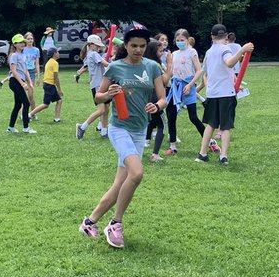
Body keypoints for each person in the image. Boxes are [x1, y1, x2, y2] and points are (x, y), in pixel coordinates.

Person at [78, 28, 168, 249]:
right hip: (119, 129)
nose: (138, 50)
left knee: (120, 184)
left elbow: (163, 98)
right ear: (125, 46)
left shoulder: (153, 67)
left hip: (139, 130)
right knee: (136, 173)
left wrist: (156, 106)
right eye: (133, 46)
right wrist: (108, 94)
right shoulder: (116, 67)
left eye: (142, 46)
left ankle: (89, 223)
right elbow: (98, 96)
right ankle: (115, 223)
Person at [195, 24, 253, 165]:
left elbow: (207, 72)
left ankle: (202, 153)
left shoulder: (209, 52)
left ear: (211, 36)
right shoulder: (225, 49)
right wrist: (243, 50)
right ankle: (223, 156)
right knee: (225, 126)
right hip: (226, 93)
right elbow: (229, 63)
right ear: (226, 36)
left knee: (211, 124)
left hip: (213, 93)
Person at [167, 28, 205, 153]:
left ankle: (208, 141)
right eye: (177, 40)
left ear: (187, 40)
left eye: (182, 40)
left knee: (193, 117)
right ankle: (172, 145)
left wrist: (190, 85)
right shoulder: (174, 54)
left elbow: (199, 70)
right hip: (176, 87)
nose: (179, 42)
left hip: (188, 86)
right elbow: (171, 71)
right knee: (171, 116)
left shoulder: (192, 52)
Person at [74, 34, 110, 139]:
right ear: (90, 44)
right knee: (101, 110)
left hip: (102, 84)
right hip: (97, 85)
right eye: (96, 45)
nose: (98, 47)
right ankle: (82, 127)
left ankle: (104, 131)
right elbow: (106, 64)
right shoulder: (93, 54)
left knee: (106, 108)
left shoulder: (92, 54)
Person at [6, 34, 36, 134]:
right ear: (14, 44)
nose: (23, 44)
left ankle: (10, 127)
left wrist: (30, 82)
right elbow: (14, 71)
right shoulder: (14, 55)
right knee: (26, 103)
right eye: (20, 42)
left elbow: (25, 70)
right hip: (14, 81)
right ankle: (26, 128)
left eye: (23, 42)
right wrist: (22, 84)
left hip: (19, 81)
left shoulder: (23, 55)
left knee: (17, 105)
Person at [30, 46, 64, 123]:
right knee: (46, 104)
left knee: (59, 101)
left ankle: (57, 118)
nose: (59, 53)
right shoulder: (54, 63)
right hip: (49, 85)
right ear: (54, 54)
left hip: (48, 84)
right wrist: (59, 89)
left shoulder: (49, 62)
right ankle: (30, 114)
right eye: (57, 52)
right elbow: (56, 77)